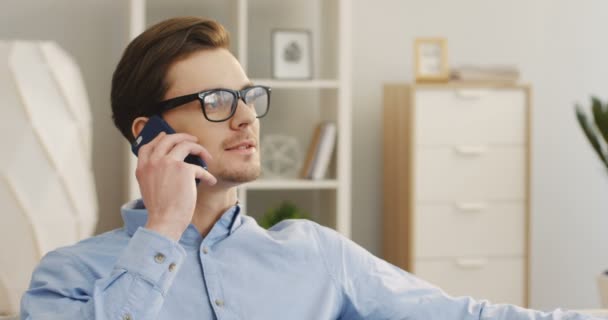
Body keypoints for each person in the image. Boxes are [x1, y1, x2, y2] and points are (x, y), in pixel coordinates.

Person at [20, 16, 598, 320]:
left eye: (249, 96)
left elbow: (463, 316)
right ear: (150, 132)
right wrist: (164, 231)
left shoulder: (315, 255)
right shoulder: (68, 279)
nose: (247, 117)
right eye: (218, 102)